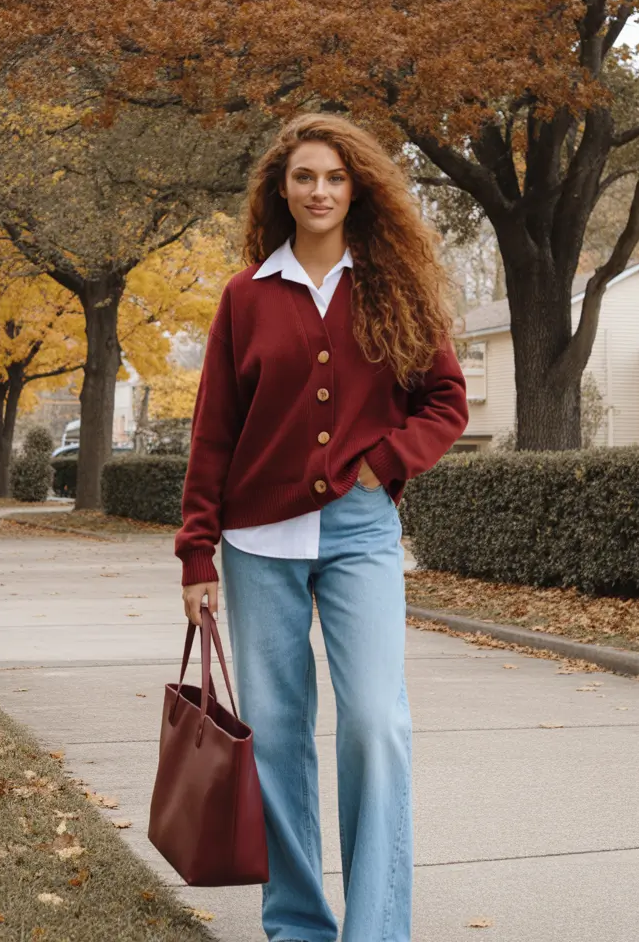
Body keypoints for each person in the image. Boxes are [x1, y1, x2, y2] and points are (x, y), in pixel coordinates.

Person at [175, 113, 469, 942]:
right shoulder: (245, 296)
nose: (319, 191)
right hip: (256, 544)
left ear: (357, 189)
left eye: (335, 177)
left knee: (376, 723)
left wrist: (385, 462)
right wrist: (196, 550)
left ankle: (376, 929)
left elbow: (446, 401)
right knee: (275, 741)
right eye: (304, 176)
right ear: (281, 188)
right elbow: (213, 432)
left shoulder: (394, 287)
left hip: (359, 533)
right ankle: (299, 925)